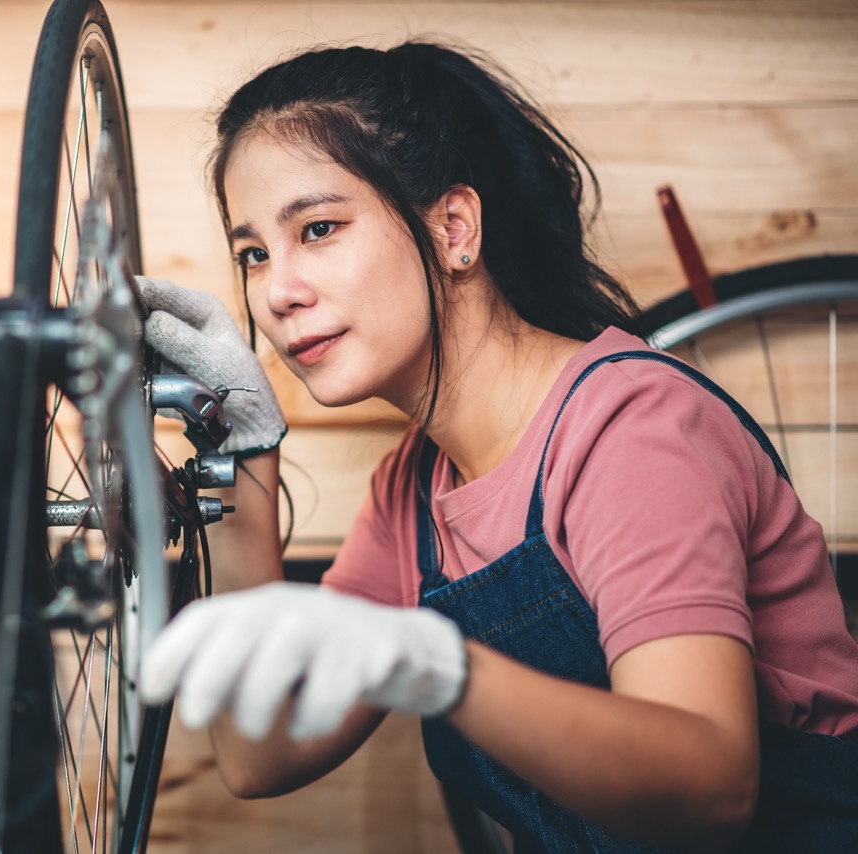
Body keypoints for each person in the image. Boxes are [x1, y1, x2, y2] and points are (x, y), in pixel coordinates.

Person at [134, 40, 858, 852]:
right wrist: (242, 448)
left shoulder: (628, 429)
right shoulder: (409, 493)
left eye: (320, 228)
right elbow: (259, 754)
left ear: (453, 227)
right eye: (254, 254)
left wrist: (444, 667)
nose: (276, 290)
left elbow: (712, 789)